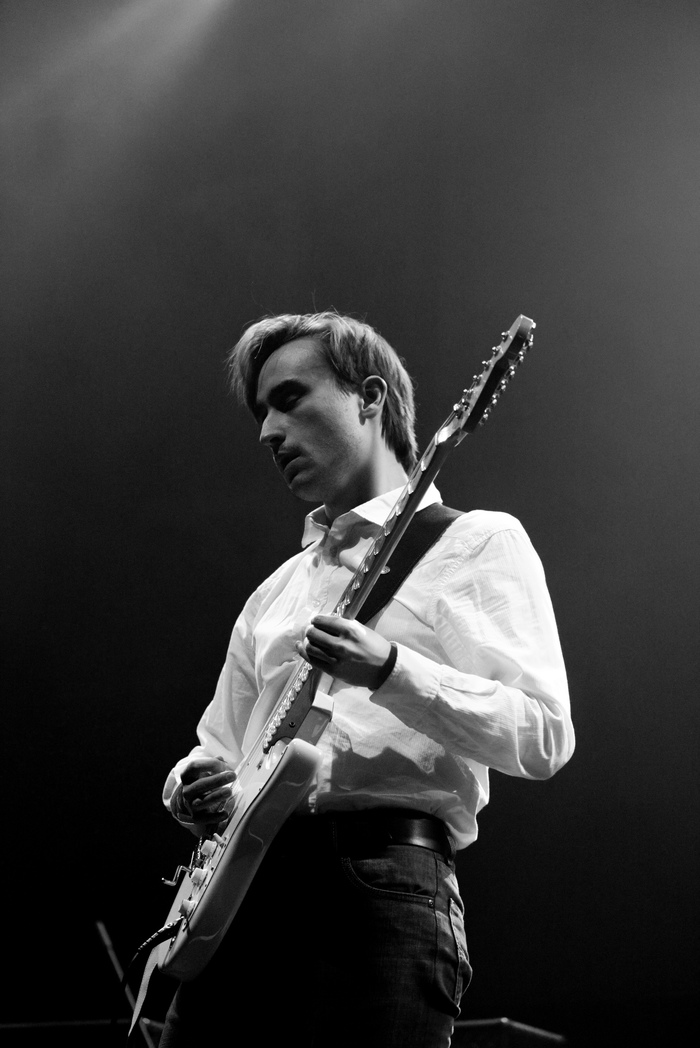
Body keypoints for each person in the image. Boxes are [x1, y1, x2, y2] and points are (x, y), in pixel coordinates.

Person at [157, 311, 574, 1048]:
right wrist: (191, 785)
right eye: (261, 414)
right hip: (242, 895)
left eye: (289, 399)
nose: (268, 432)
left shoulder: (476, 542)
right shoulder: (273, 594)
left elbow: (543, 736)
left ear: (369, 397)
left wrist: (390, 669)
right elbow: (218, 745)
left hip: (380, 885)